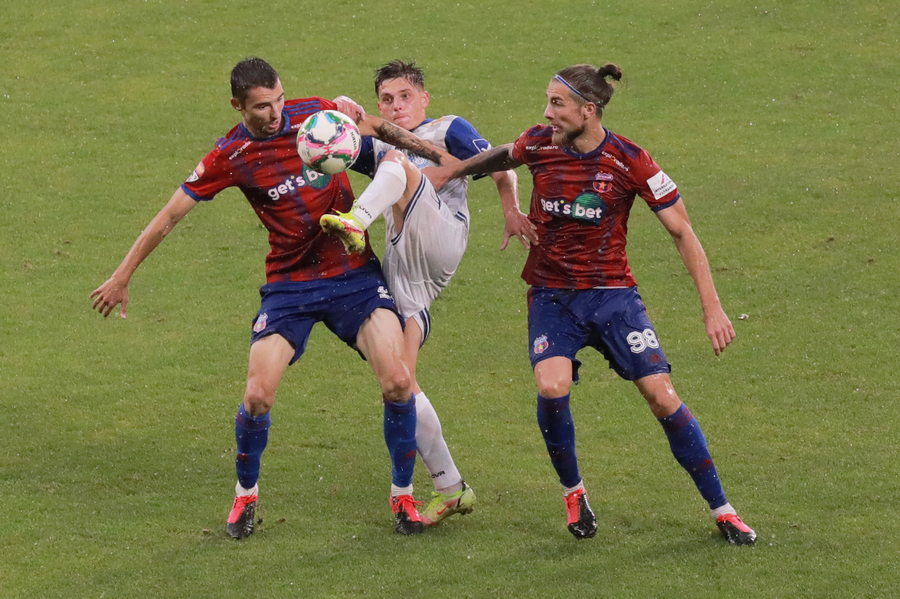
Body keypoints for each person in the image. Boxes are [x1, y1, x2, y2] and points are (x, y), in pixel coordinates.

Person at [89, 57, 453, 537]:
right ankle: (245, 499)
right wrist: (122, 276)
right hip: (290, 283)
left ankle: (403, 498)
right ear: (239, 105)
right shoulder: (231, 155)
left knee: (399, 383)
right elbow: (169, 216)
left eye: (280, 98)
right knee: (258, 395)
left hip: (352, 273)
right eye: (263, 106)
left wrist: (432, 153)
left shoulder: (316, 115)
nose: (276, 112)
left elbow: (377, 127)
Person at [427, 63, 757, 545]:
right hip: (552, 295)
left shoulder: (630, 160)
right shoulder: (539, 143)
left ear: (589, 110)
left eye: (557, 104)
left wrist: (712, 307)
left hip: (612, 297)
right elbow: (504, 155)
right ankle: (574, 492)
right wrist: (456, 171)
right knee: (552, 385)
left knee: (662, 396)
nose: (547, 113)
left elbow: (682, 231)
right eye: (547, 102)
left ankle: (723, 509)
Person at [320, 60, 535, 526]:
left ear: (423, 99)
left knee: (396, 162)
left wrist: (511, 210)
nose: (396, 106)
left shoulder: (446, 129)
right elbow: (333, 144)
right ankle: (450, 486)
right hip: (406, 274)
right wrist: (340, 113)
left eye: (404, 96)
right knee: (400, 386)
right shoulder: (380, 147)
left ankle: (357, 221)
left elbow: (502, 162)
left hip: (441, 234)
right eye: (386, 100)